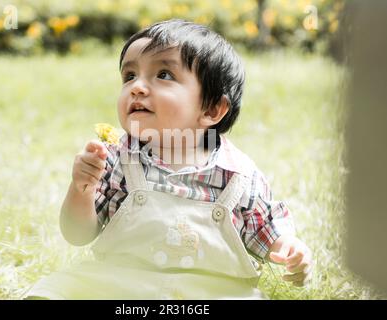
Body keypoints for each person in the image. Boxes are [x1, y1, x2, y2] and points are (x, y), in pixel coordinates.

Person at [25, 19, 312, 300]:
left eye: (163, 74)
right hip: (120, 286)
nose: (137, 87)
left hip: (212, 293)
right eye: (129, 76)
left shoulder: (238, 175)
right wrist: (81, 189)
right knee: (59, 288)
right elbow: (77, 234)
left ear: (212, 110)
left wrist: (289, 248)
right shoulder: (115, 160)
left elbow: (266, 228)